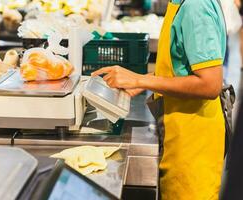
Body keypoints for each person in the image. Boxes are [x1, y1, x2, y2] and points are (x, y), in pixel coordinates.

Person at [92, 0, 226, 199]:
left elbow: (210, 84)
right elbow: (182, 66)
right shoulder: (179, 3)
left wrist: (140, 79)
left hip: (193, 144)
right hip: (177, 133)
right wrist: (145, 81)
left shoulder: (195, 6)